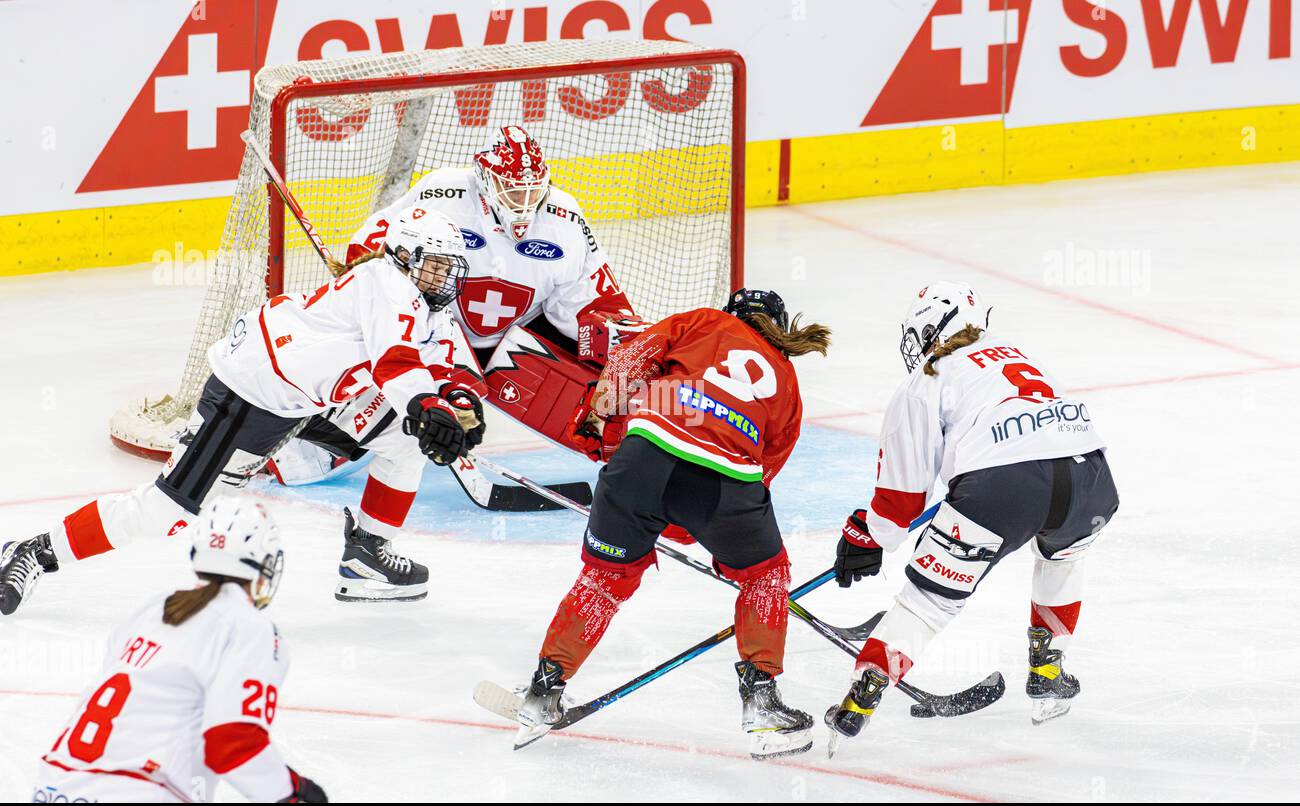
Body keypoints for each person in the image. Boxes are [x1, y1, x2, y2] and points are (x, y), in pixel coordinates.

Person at [1, 208, 483, 613]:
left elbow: (448, 362)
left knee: (402, 439)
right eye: (435, 266)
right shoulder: (386, 281)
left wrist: (459, 404)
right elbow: (396, 363)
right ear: (405, 257)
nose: (445, 277)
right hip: (253, 391)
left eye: (449, 267)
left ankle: (366, 552)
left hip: (308, 395)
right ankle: (34, 552)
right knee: (167, 511)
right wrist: (425, 408)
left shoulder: (424, 301)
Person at [514, 289, 832, 760]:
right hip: (722, 486)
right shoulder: (786, 381)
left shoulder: (704, 320)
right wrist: (722, 547)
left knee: (603, 581)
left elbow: (629, 361)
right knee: (765, 577)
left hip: (638, 462)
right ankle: (761, 703)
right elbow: (762, 475)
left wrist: (598, 416)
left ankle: (544, 690)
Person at [824, 281, 1119, 752]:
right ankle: (1048, 671)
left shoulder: (925, 380)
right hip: (1092, 483)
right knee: (1062, 560)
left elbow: (900, 501)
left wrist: (871, 536)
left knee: (927, 603)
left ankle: (862, 697)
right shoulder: (1016, 354)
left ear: (925, 327)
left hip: (1002, 493)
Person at [268, 123, 647, 484]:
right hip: (435, 327)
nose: (524, 202)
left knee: (607, 379)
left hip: (513, 338)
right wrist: (372, 281)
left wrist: (620, 342)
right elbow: (375, 240)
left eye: (533, 191)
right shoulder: (442, 194)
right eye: (513, 190)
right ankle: (312, 445)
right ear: (485, 179)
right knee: (388, 373)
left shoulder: (565, 219)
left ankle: (638, 453)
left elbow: (591, 298)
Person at [32, 498, 326, 803]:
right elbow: (232, 741)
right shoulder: (247, 627)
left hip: (53, 789)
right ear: (264, 563)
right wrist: (293, 792)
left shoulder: (152, 609)